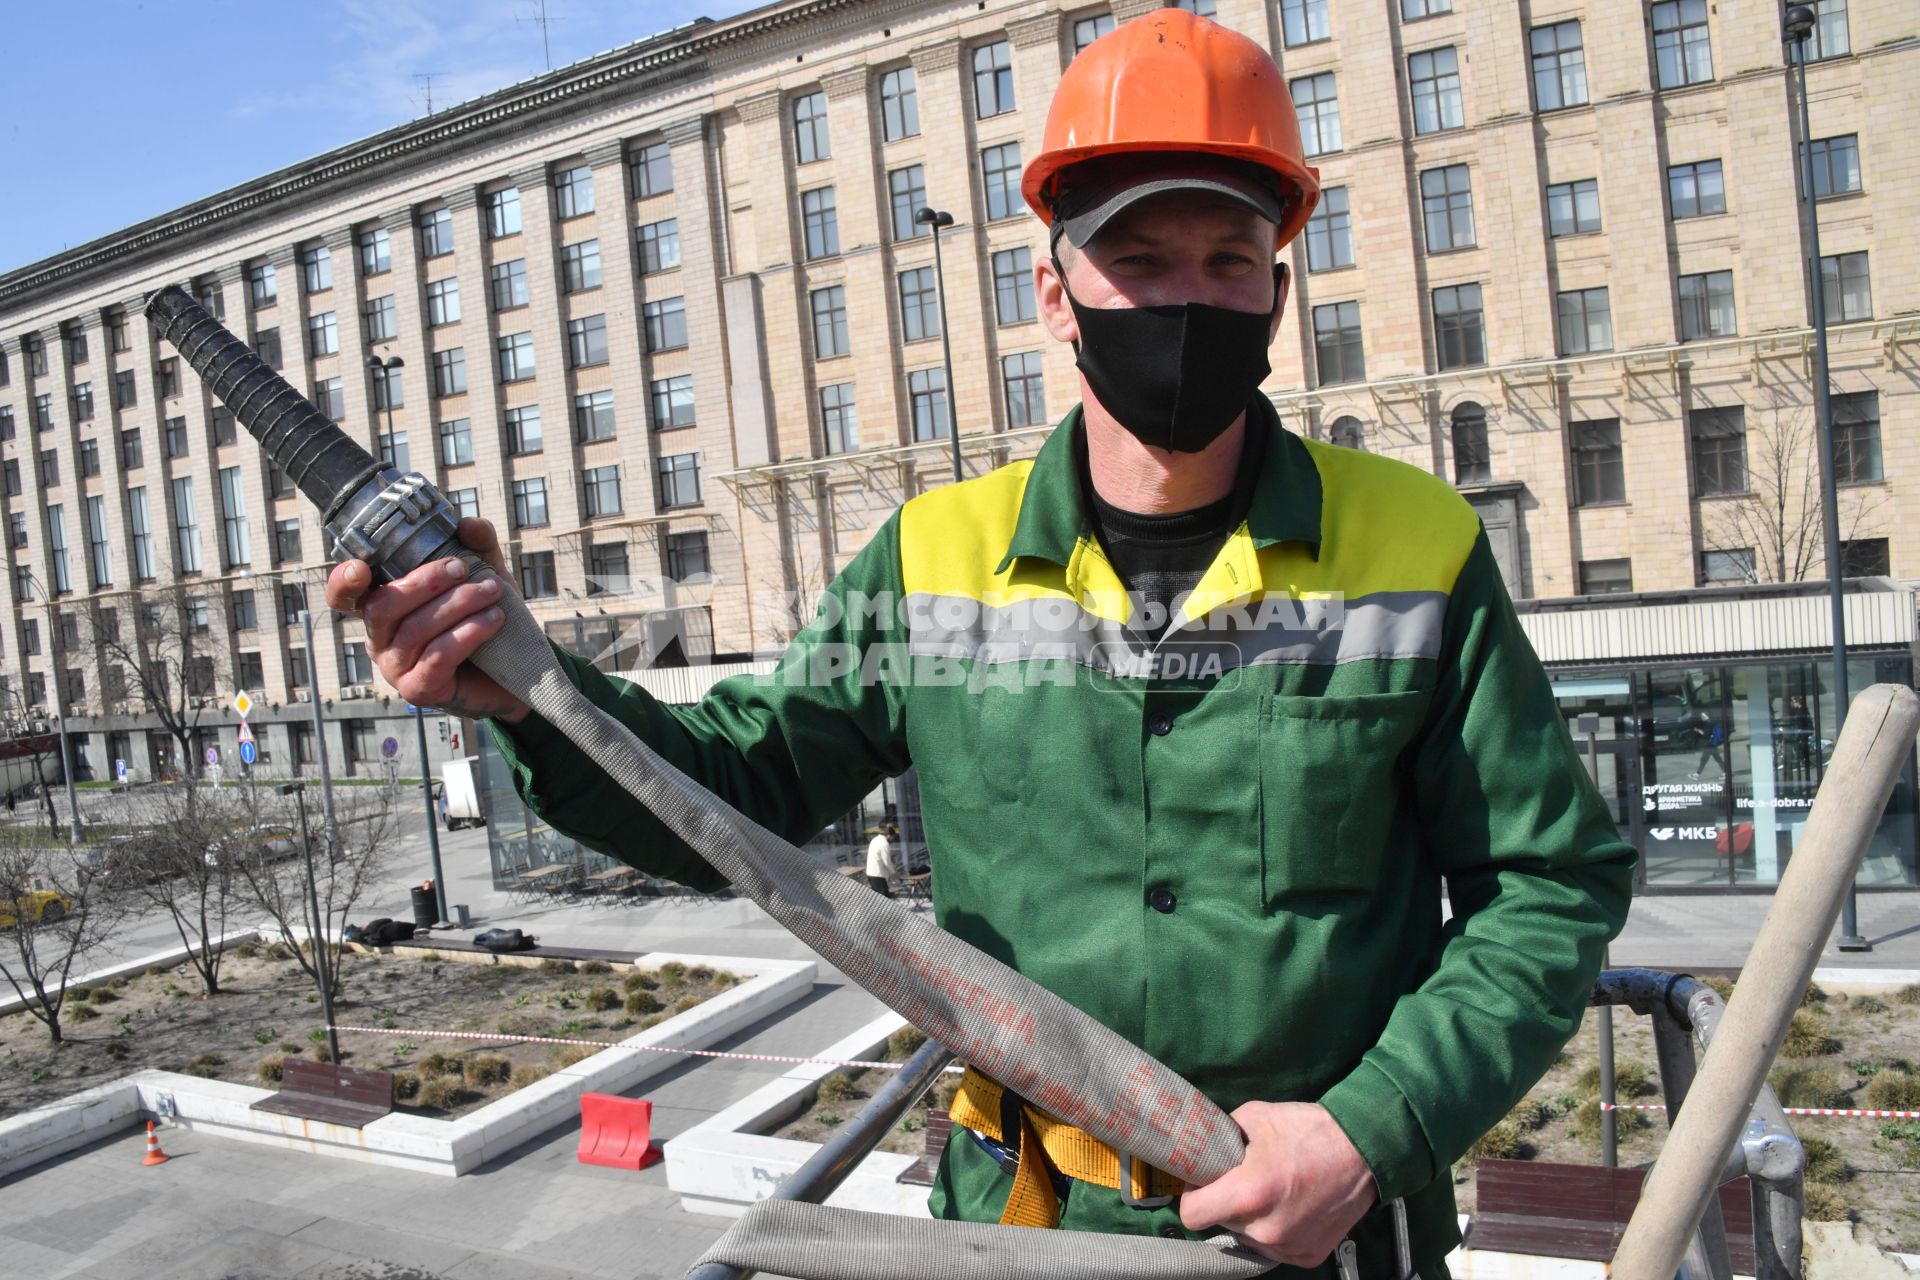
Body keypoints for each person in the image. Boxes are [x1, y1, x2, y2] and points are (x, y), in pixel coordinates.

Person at [325, 11, 1634, 1274]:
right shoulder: (934, 557)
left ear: (1278, 292)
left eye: (1228, 261)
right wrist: (530, 694)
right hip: (1026, 1234)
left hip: (1330, 1239)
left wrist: (1373, 1126)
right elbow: (738, 792)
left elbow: (1550, 883)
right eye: (1141, 260)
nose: (1189, 299)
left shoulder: (1416, 546)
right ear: (1058, 295)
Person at [864, 823, 898, 897]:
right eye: (893, 837)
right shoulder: (884, 844)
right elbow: (887, 861)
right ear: (889, 836)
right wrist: (893, 872)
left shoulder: (875, 839)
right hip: (877, 874)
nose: (893, 839)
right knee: (883, 899)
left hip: (871, 873)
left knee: (881, 898)